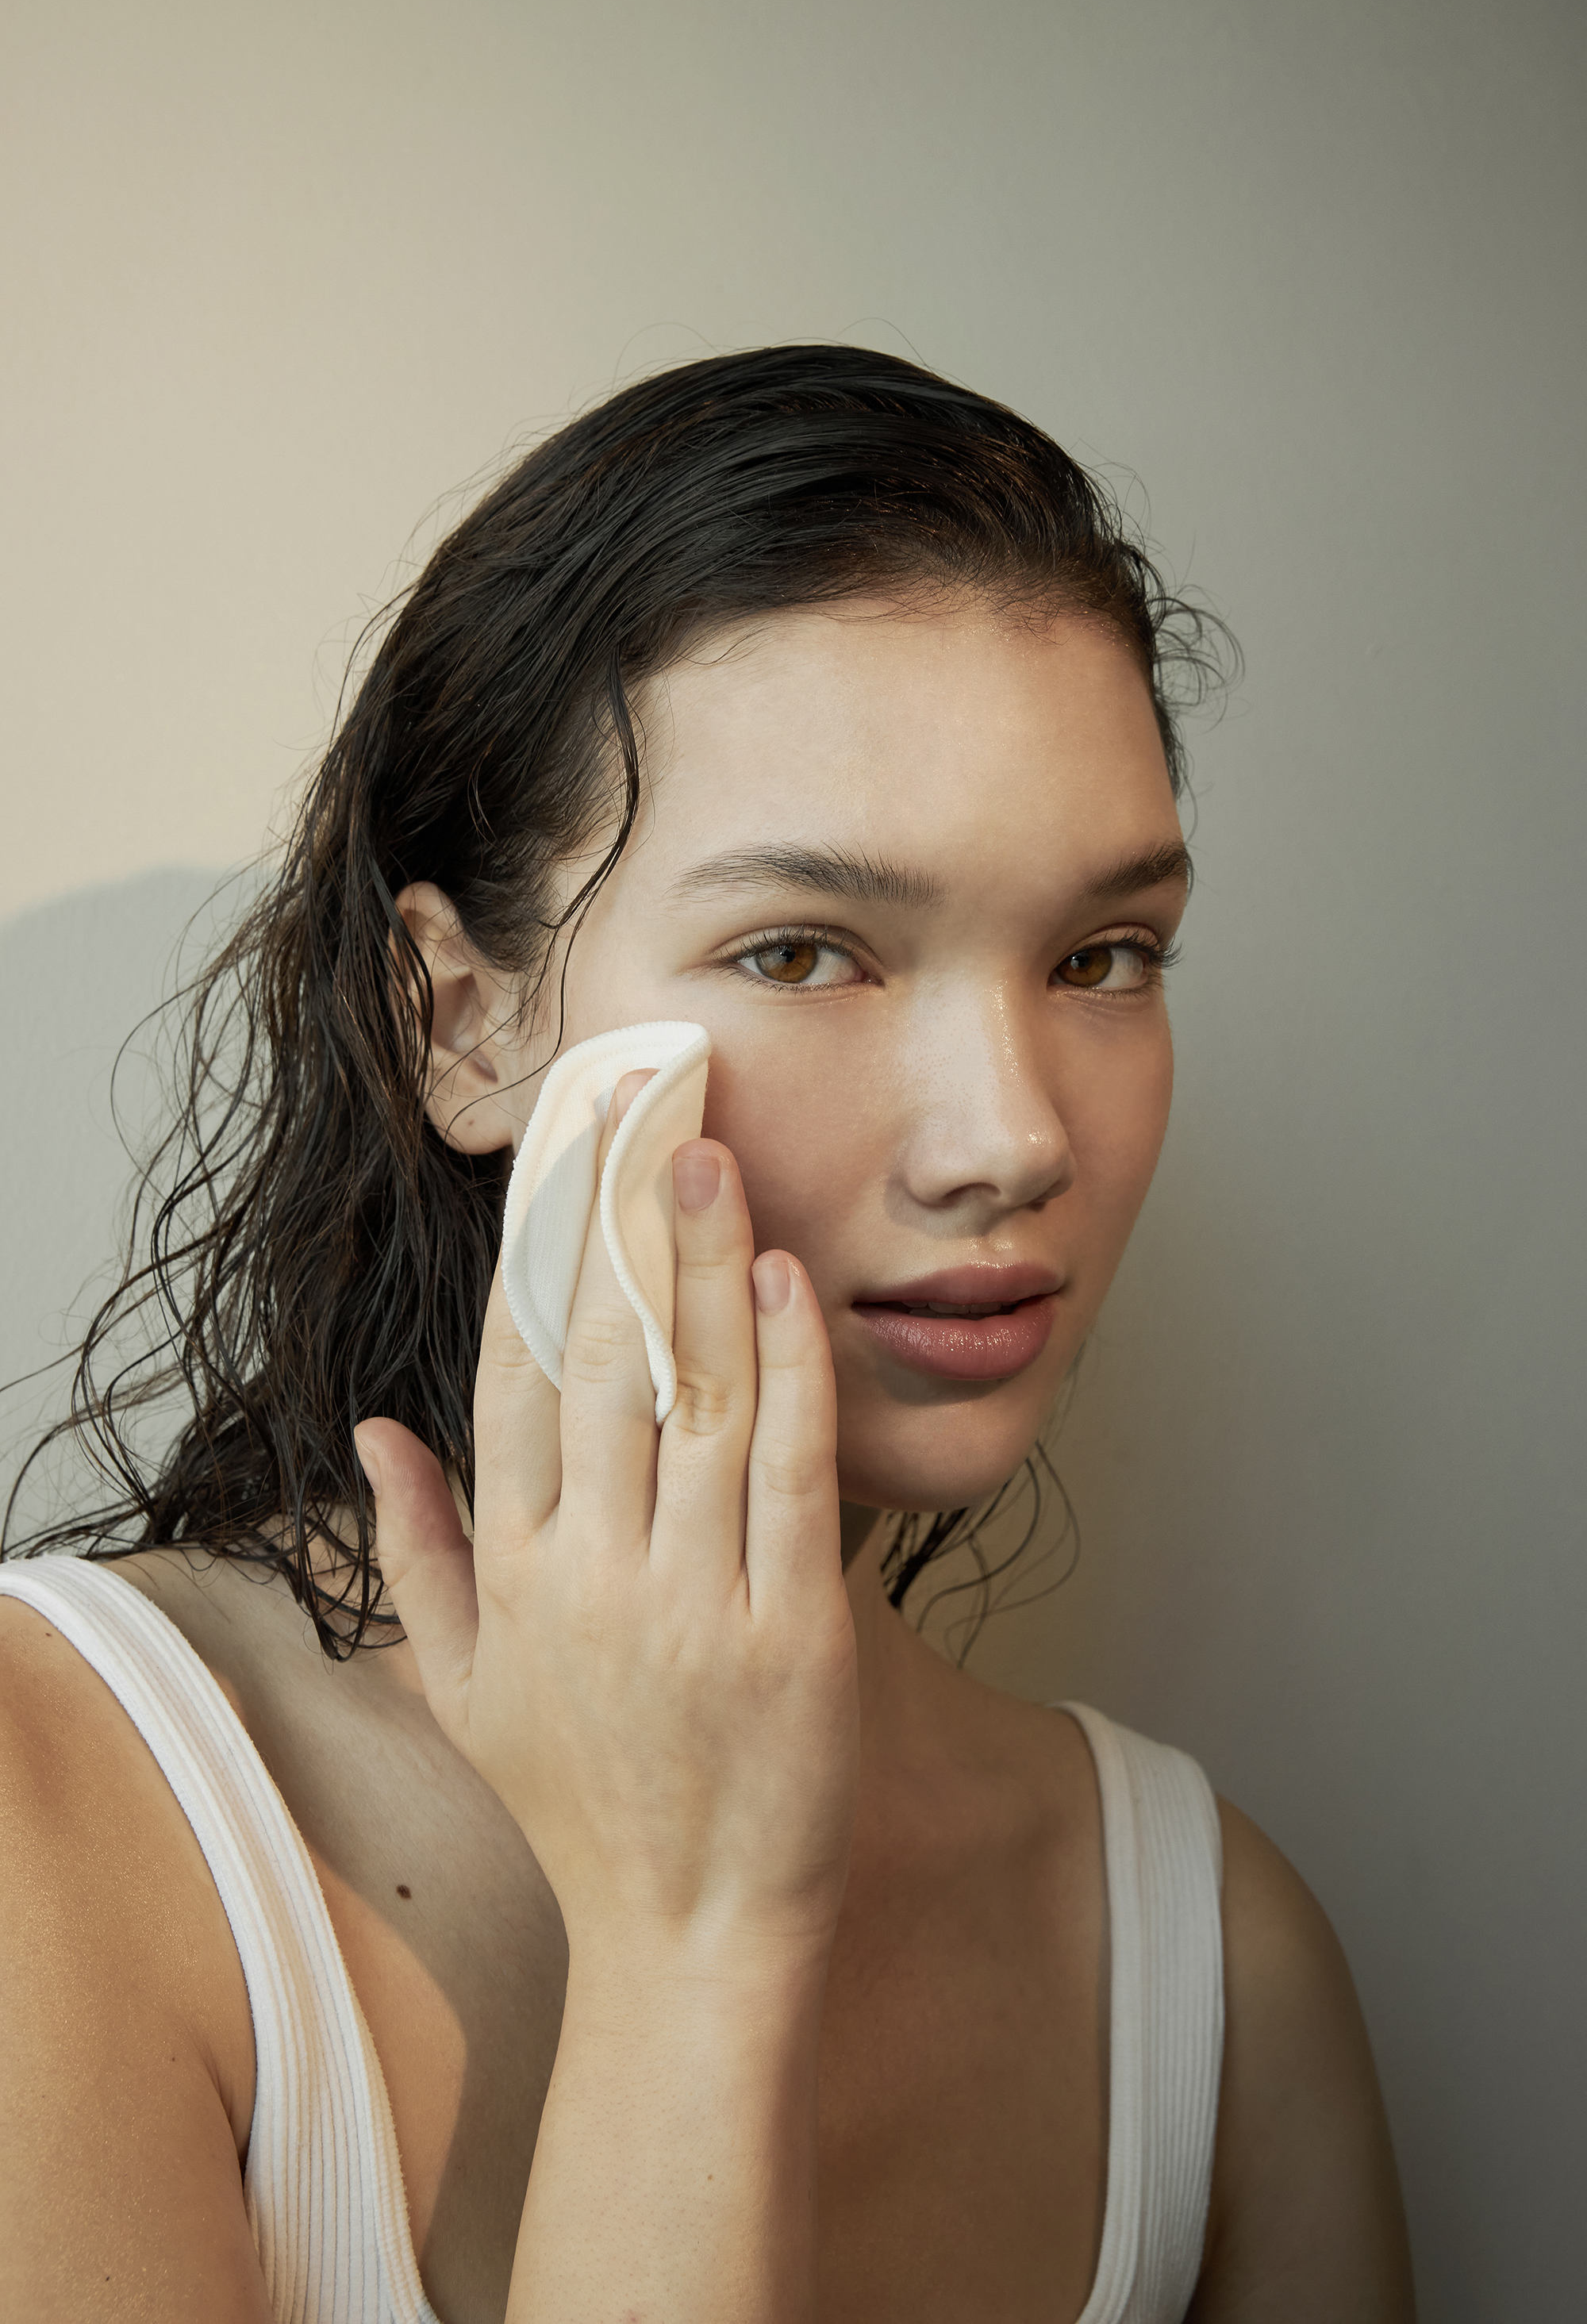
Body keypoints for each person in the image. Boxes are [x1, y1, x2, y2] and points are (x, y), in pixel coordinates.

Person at [0, 346, 1416, 2322]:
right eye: (804, 951)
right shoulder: (61, 1808)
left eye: (1103, 956)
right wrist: (692, 1939)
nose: (1013, 1138)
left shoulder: (1216, 1968)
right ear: (462, 1023)